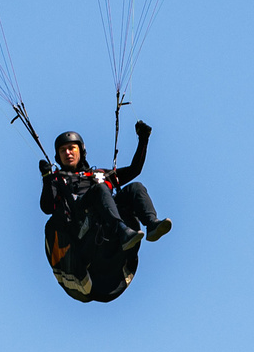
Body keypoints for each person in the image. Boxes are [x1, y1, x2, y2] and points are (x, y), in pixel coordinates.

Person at [39, 121, 172, 303]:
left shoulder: (99, 175)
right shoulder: (58, 180)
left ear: (81, 151)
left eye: (72, 148)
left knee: (135, 188)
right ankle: (122, 231)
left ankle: (152, 224)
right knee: (100, 189)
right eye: (63, 150)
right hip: (82, 230)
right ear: (58, 156)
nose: (68, 153)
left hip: (105, 226)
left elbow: (134, 170)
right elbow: (48, 208)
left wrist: (143, 139)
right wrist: (47, 179)